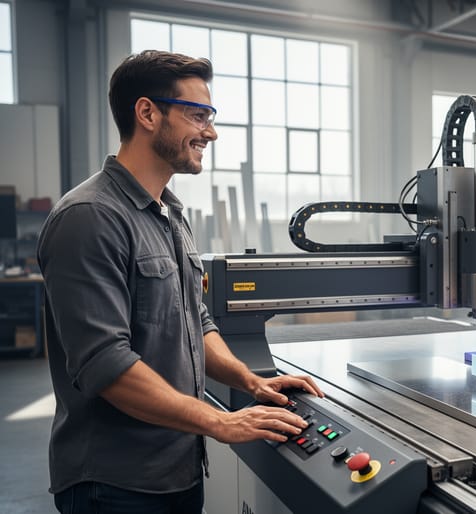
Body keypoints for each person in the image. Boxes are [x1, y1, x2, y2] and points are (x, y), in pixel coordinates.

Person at [37, 50, 324, 514]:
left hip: (177, 469)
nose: (210, 132)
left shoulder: (168, 214)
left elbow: (196, 320)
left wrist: (250, 381)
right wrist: (220, 421)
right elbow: (104, 363)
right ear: (148, 113)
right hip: (114, 485)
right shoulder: (90, 217)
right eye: (198, 115)